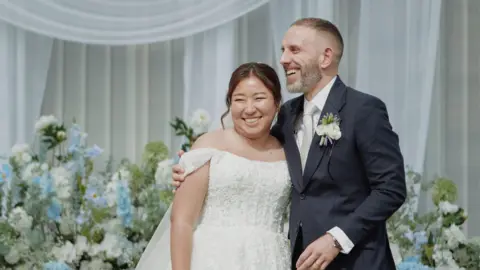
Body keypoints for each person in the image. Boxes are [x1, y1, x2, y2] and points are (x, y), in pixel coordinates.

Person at [172, 18, 407, 270]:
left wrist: (336, 239)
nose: (283, 59)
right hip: (292, 261)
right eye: (283, 50)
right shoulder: (286, 115)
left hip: (357, 261)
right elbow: (253, 155)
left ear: (325, 57)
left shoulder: (363, 110)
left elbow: (390, 189)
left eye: (294, 50)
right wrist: (197, 163)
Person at [135, 62, 291, 270]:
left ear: (277, 103)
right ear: (229, 104)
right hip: (213, 258)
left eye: (259, 98)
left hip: (272, 259)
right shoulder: (208, 145)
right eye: (239, 100)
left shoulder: (289, 151)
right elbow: (182, 220)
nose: (249, 108)